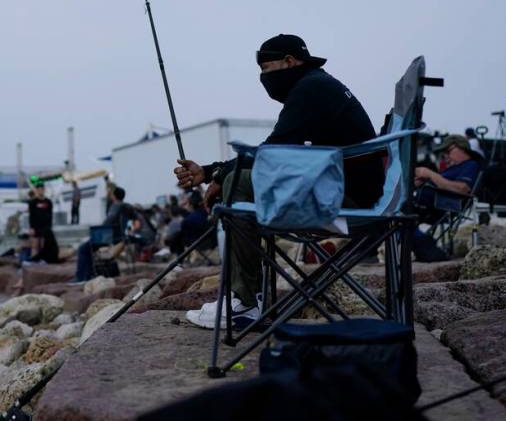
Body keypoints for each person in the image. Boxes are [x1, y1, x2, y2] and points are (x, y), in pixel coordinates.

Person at [174, 34, 384, 329]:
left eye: (267, 69)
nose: (264, 79)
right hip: (348, 194)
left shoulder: (311, 89)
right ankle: (248, 299)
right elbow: (283, 153)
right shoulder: (318, 85)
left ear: (289, 61)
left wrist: (220, 175)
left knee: (239, 183)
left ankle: (246, 303)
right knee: (237, 179)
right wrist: (210, 172)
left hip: (345, 203)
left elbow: (274, 151)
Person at [72, 186, 131, 282]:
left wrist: (96, 232)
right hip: (118, 238)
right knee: (88, 248)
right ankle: (88, 275)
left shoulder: (115, 207)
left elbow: (107, 224)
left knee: (83, 249)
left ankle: (81, 277)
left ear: (114, 196)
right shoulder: (126, 207)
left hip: (109, 238)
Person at [25, 185, 54, 256]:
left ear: (44, 190)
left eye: (42, 189)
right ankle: (33, 261)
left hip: (45, 227)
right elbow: (31, 216)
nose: (41, 191)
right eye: (39, 189)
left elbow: (50, 215)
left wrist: (50, 227)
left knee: (43, 245)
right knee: (35, 246)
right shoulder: (33, 202)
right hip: (36, 227)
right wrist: (31, 228)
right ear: (37, 191)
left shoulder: (48, 202)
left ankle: (42, 261)